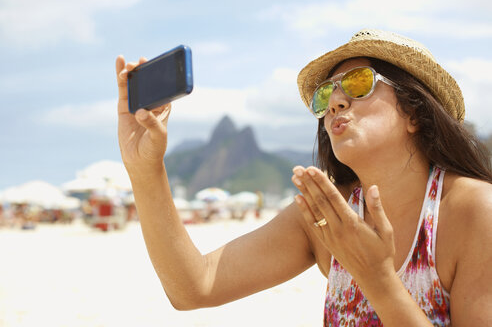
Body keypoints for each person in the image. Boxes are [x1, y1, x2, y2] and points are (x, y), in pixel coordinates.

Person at [115, 29, 492, 326]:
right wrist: (145, 168)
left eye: (359, 83)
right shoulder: (327, 214)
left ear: (415, 113)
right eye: (324, 94)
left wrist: (376, 280)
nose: (335, 102)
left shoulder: (475, 212)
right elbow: (194, 286)